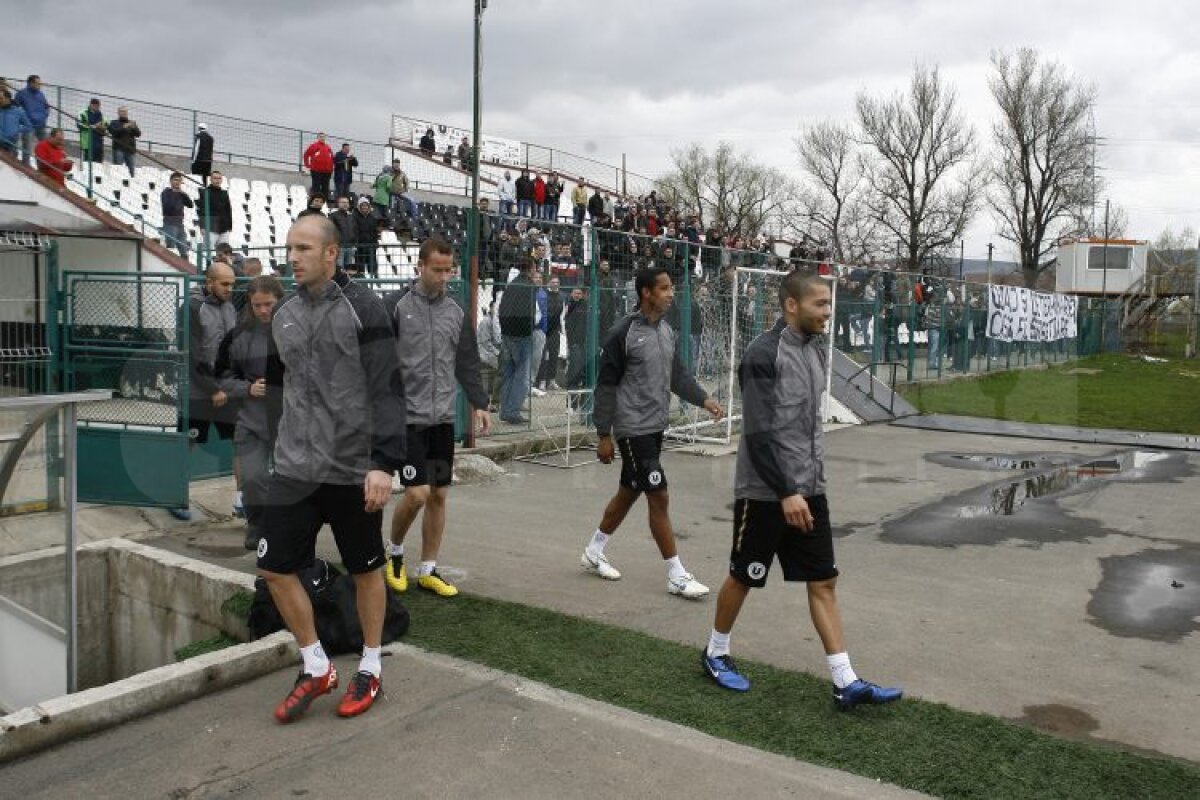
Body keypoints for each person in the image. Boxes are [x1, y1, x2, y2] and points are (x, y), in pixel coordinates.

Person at [699, 272, 903, 711]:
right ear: (791, 305)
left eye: (829, 305)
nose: (827, 312)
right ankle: (715, 652)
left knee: (824, 579)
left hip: (810, 487)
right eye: (820, 305)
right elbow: (758, 433)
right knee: (745, 575)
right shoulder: (761, 354)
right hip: (766, 492)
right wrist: (787, 491)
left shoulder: (814, 353)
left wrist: (805, 488)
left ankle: (844, 680)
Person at [258, 214, 407, 722]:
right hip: (296, 467)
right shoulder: (282, 314)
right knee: (274, 567)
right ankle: (316, 664)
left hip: (352, 468)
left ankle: (370, 666)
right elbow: (279, 389)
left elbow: (388, 390)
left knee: (366, 569)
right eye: (289, 248)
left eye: (303, 248)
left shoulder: (365, 309)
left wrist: (384, 464)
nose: (293, 257)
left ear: (331, 253)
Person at [582, 267, 724, 598]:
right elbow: (605, 385)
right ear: (646, 293)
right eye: (665, 288)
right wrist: (604, 433)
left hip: (656, 425)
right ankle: (676, 575)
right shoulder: (623, 333)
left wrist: (705, 400)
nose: (671, 293)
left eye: (671, 287)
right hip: (632, 428)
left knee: (629, 493)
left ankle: (593, 550)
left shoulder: (667, 331)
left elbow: (678, 376)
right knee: (658, 496)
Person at [382, 237, 491, 598]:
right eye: (437, 270)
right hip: (407, 419)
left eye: (449, 270)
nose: (444, 277)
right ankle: (394, 552)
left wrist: (478, 402)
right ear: (420, 266)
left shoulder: (456, 311)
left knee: (439, 496)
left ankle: (428, 569)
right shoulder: (396, 306)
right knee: (416, 494)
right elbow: (377, 361)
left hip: (442, 418)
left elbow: (467, 361)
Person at [215, 275, 285, 550]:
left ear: (280, 300)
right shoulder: (237, 337)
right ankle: (256, 524)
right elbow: (221, 377)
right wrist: (247, 388)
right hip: (252, 421)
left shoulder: (298, 330)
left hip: (289, 421)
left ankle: (285, 528)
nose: (264, 310)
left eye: (269, 304)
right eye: (258, 305)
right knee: (252, 477)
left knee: (291, 482)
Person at [496, 257, 537, 424]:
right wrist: (529, 330)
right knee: (521, 376)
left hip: (507, 334)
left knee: (508, 374)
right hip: (521, 336)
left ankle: (505, 409)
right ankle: (512, 411)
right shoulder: (529, 286)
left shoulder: (511, 285)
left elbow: (502, 309)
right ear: (531, 268)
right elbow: (529, 313)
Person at [14, 75, 49, 167]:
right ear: (31, 83)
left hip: (41, 125)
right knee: (27, 147)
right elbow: (15, 108)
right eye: (38, 83)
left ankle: (43, 167)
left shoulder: (41, 94)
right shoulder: (21, 93)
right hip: (29, 125)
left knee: (44, 147)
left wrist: (44, 116)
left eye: (40, 83)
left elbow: (47, 107)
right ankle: (26, 167)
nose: (40, 85)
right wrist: (23, 120)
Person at [536, 276, 564, 391]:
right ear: (548, 283)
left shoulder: (562, 296)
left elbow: (563, 313)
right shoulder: (543, 295)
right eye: (553, 282)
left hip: (555, 330)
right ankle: (541, 381)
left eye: (557, 282)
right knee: (542, 356)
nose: (555, 284)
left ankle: (552, 380)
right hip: (543, 330)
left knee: (554, 355)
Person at [161, 172, 194, 259]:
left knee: (183, 249)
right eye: (175, 180)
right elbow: (168, 207)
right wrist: (176, 194)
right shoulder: (166, 192)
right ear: (170, 181)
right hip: (170, 223)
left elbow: (190, 205)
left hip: (180, 224)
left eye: (179, 181)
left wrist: (183, 194)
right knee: (171, 248)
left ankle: (186, 269)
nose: (177, 182)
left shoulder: (181, 194)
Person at [197, 172, 233, 251]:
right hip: (210, 228)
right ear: (211, 179)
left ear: (222, 180)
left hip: (224, 228)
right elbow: (201, 210)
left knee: (224, 252)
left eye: (219, 178)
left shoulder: (224, 193)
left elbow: (228, 210)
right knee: (207, 251)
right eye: (215, 178)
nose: (217, 180)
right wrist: (202, 226)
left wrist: (230, 226)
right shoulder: (205, 192)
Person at [106, 106, 141, 176]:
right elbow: (113, 132)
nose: (124, 113)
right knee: (118, 170)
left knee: (131, 171)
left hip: (130, 150)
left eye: (125, 112)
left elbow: (138, 134)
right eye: (122, 111)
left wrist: (133, 127)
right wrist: (123, 127)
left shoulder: (132, 123)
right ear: (118, 113)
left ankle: (132, 184)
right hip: (118, 150)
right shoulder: (114, 122)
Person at [353, 196, 381, 276]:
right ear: (359, 207)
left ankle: (375, 280)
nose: (364, 207)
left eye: (366, 205)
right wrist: (356, 243)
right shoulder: (354, 217)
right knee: (360, 265)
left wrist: (376, 243)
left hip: (371, 245)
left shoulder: (372, 218)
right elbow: (355, 231)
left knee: (372, 264)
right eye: (362, 205)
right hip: (359, 246)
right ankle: (361, 281)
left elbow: (374, 232)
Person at [0, 88, 32, 157]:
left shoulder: (18, 111)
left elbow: (28, 126)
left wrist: (17, 130)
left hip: (11, 145)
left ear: (8, 98)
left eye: (1, 98)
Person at [328, 195, 357, 269]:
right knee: (339, 268)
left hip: (350, 247)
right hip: (339, 247)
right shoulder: (333, 216)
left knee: (349, 269)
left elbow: (355, 230)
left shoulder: (351, 216)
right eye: (343, 202)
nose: (345, 204)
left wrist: (355, 244)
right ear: (338, 204)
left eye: (347, 202)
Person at [303, 132, 334, 199]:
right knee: (316, 187)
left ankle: (324, 202)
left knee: (325, 188)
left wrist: (331, 169)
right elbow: (306, 155)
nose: (322, 138)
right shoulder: (313, 146)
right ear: (318, 138)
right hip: (316, 170)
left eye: (323, 137)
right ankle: (315, 201)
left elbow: (331, 158)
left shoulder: (328, 147)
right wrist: (307, 165)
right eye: (321, 136)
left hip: (327, 171)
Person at [77, 98, 105, 164]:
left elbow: (103, 126)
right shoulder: (83, 113)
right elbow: (80, 125)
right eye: (96, 106)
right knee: (87, 164)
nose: (98, 108)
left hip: (99, 145)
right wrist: (95, 126)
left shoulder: (100, 114)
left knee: (98, 166)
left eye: (99, 106)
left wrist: (103, 128)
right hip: (88, 144)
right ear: (91, 105)